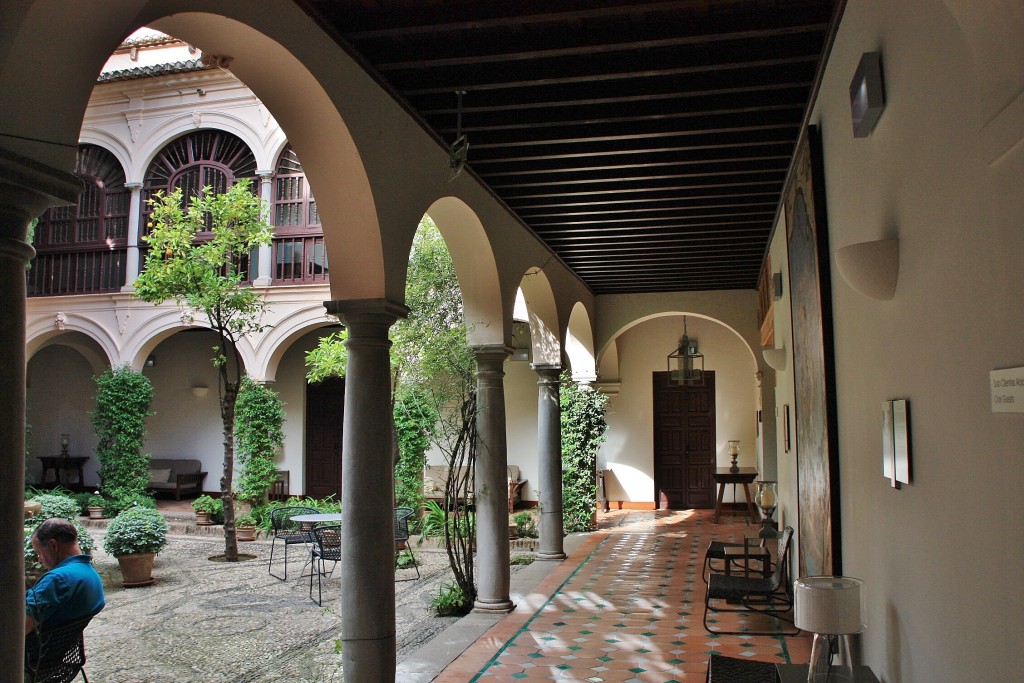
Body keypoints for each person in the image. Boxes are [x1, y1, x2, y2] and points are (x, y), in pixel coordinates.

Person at [25, 518, 105, 634]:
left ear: (53, 545)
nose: (39, 560)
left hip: (36, 649)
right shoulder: (91, 574)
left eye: (39, 553)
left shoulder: (57, 580)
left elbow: (17, 630)